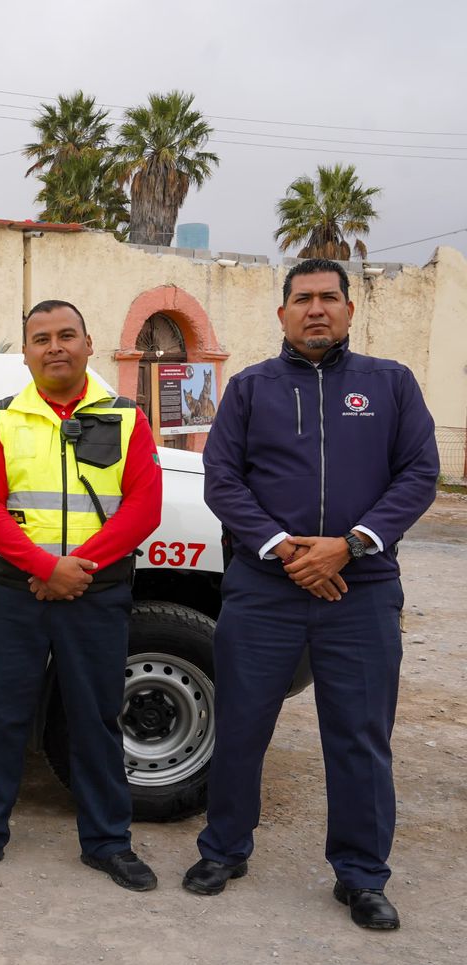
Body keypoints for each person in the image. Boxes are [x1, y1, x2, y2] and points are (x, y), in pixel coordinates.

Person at [184, 259, 438, 930]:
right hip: (264, 589)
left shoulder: (391, 384)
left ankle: (361, 876)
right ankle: (223, 849)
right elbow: (222, 478)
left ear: (350, 309)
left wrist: (350, 544)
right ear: (283, 314)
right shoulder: (250, 388)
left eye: (329, 297)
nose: (316, 309)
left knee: (359, 735)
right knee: (241, 725)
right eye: (302, 299)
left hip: (362, 589)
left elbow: (418, 473)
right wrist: (283, 548)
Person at [0, 299, 162, 891]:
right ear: (26, 353)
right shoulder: (1, 420)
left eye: (67, 335)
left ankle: (108, 843)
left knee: (95, 719)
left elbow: (144, 507)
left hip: (96, 592)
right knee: (1, 718)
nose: (55, 347)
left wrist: (76, 569)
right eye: (42, 339)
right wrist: (45, 567)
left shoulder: (126, 418)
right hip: (19, 594)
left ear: (88, 345)